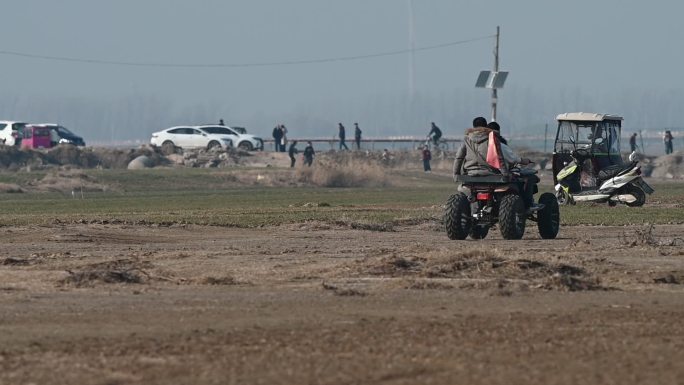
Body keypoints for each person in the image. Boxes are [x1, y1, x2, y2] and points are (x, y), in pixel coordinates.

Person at [454, 116, 537, 209]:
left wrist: (456, 173)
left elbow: (459, 157)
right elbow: (499, 158)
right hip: (490, 173)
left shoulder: (466, 139)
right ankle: (526, 205)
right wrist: (505, 173)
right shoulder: (492, 138)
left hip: (471, 174)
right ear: (486, 126)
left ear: (473, 127)